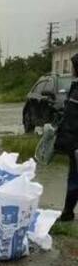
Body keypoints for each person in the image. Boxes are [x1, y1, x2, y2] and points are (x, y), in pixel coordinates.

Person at [55, 53, 78, 221]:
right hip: (73, 142)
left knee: (75, 178)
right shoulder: (75, 88)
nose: (72, 70)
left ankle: (68, 212)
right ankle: (68, 211)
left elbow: (72, 118)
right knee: (73, 176)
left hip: (76, 143)